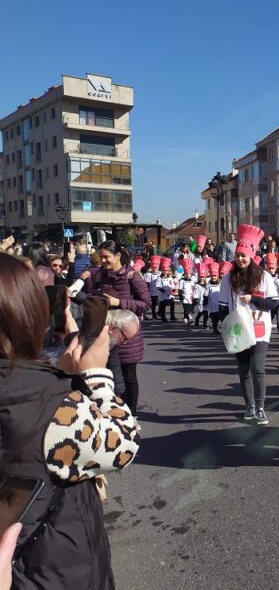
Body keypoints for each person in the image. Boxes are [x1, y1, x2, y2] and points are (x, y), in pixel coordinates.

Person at [0, 252, 139, 589]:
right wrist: (95, 374)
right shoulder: (52, 407)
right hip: (50, 567)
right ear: (27, 316)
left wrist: (58, 374)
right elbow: (122, 444)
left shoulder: (35, 388)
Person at [82, 240, 150, 420]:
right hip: (105, 334)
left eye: (107, 257)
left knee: (128, 375)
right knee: (108, 375)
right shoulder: (98, 275)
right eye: (101, 257)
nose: (103, 261)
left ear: (118, 256)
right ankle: (112, 410)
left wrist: (118, 303)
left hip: (127, 336)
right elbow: (90, 296)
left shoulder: (132, 276)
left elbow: (146, 304)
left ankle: (132, 413)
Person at [219, 225, 278, 425]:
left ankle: (261, 408)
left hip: (260, 329)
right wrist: (225, 326)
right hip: (238, 330)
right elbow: (222, 306)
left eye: (244, 255)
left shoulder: (264, 277)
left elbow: (272, 303)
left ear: (251, 255)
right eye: (237, 255)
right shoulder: (228, 279)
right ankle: (249, 406)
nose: (240, 259)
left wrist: (252, 298)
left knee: (258, 368)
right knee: (243, 370)